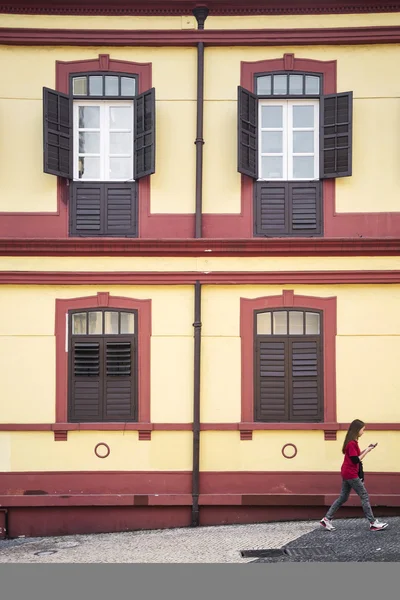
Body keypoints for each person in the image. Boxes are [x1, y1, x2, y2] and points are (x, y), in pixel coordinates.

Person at [320, 419, 388, 532]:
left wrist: (367, 449)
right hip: (350, 473)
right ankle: (373, 523)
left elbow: (356, 457)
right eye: (363, 429)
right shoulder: (351, 444)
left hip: (347, 472)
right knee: (364, 496)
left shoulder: (353, 442)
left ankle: (326, 519)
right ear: (357, 430)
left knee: (343, 497)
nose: (363, 432)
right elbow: (356, 460)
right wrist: (366, 452)